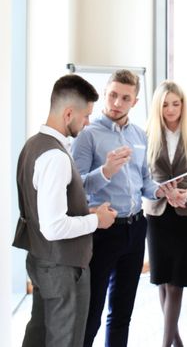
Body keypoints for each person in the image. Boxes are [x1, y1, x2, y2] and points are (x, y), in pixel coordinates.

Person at [13, 74, 117, 347]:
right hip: (62, 267)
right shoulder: (55, 156)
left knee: (38, 334)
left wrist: (86, 211)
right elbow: (53, 226)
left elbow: (44, 209)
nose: (87, 123)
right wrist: (96, 220)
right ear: (69, 113)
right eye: (85, 116)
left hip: (42, 260)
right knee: (66, 340)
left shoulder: (32, 145)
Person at [72, 69, 168, 347]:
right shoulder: (87, 135)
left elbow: (145, 181)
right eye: (113, 95)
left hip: (136, 229)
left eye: (125, 98)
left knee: (122, 312)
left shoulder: (140, 135)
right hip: (102, 231)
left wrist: (162, 191)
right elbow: (75, 189)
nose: (117, 103)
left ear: (134, 102)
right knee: (92, 313)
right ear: (105, 93)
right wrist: (106, 171)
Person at [143, 80, 187, 347]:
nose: (171, 109)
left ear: (183, 104)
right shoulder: (147, 136)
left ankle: (166, 344)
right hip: (158, 214)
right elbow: (141, 178)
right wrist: (160, 191)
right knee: (162, 279)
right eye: (165, 104)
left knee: (176, 282)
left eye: (176, 103)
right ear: (157, 107)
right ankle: (176, 341)